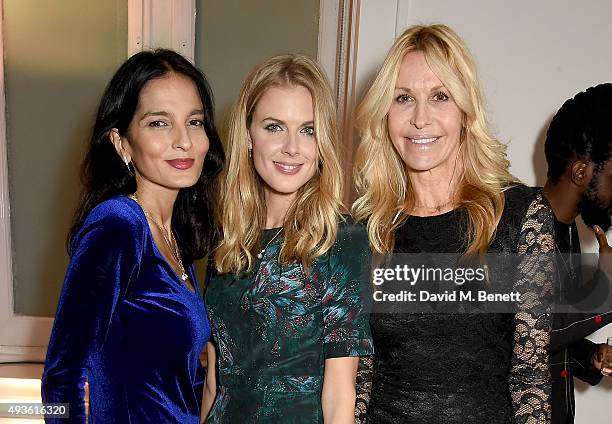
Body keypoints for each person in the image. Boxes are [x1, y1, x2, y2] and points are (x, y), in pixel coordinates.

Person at [352, 24, 555, 423]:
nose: (420, 119)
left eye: (439, 96)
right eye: (403, 98)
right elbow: (361, 379)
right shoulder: (366, 230)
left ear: (465, 111)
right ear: (384, 114)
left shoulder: (520, 216)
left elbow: (529, 375)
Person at [41, 49, 225, 423]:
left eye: (194, 121)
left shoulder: (174, 239)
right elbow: (61, 379)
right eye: (159, 123)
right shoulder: (119, 225)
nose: (184, 141)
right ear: (121, 142)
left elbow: (166, 382)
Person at [202, 54, 373, 423]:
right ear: (248, 136)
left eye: (308, 129)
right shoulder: (227, 238)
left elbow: (340, 394)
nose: (292, 147)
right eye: (274, 127)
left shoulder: (341, 239)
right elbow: (215, 383)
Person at [541, 83, 612, 424]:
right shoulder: (513, 224)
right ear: (582, 172)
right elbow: (523, 331)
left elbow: (551, 339)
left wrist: (589, 356)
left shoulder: (565, 231)